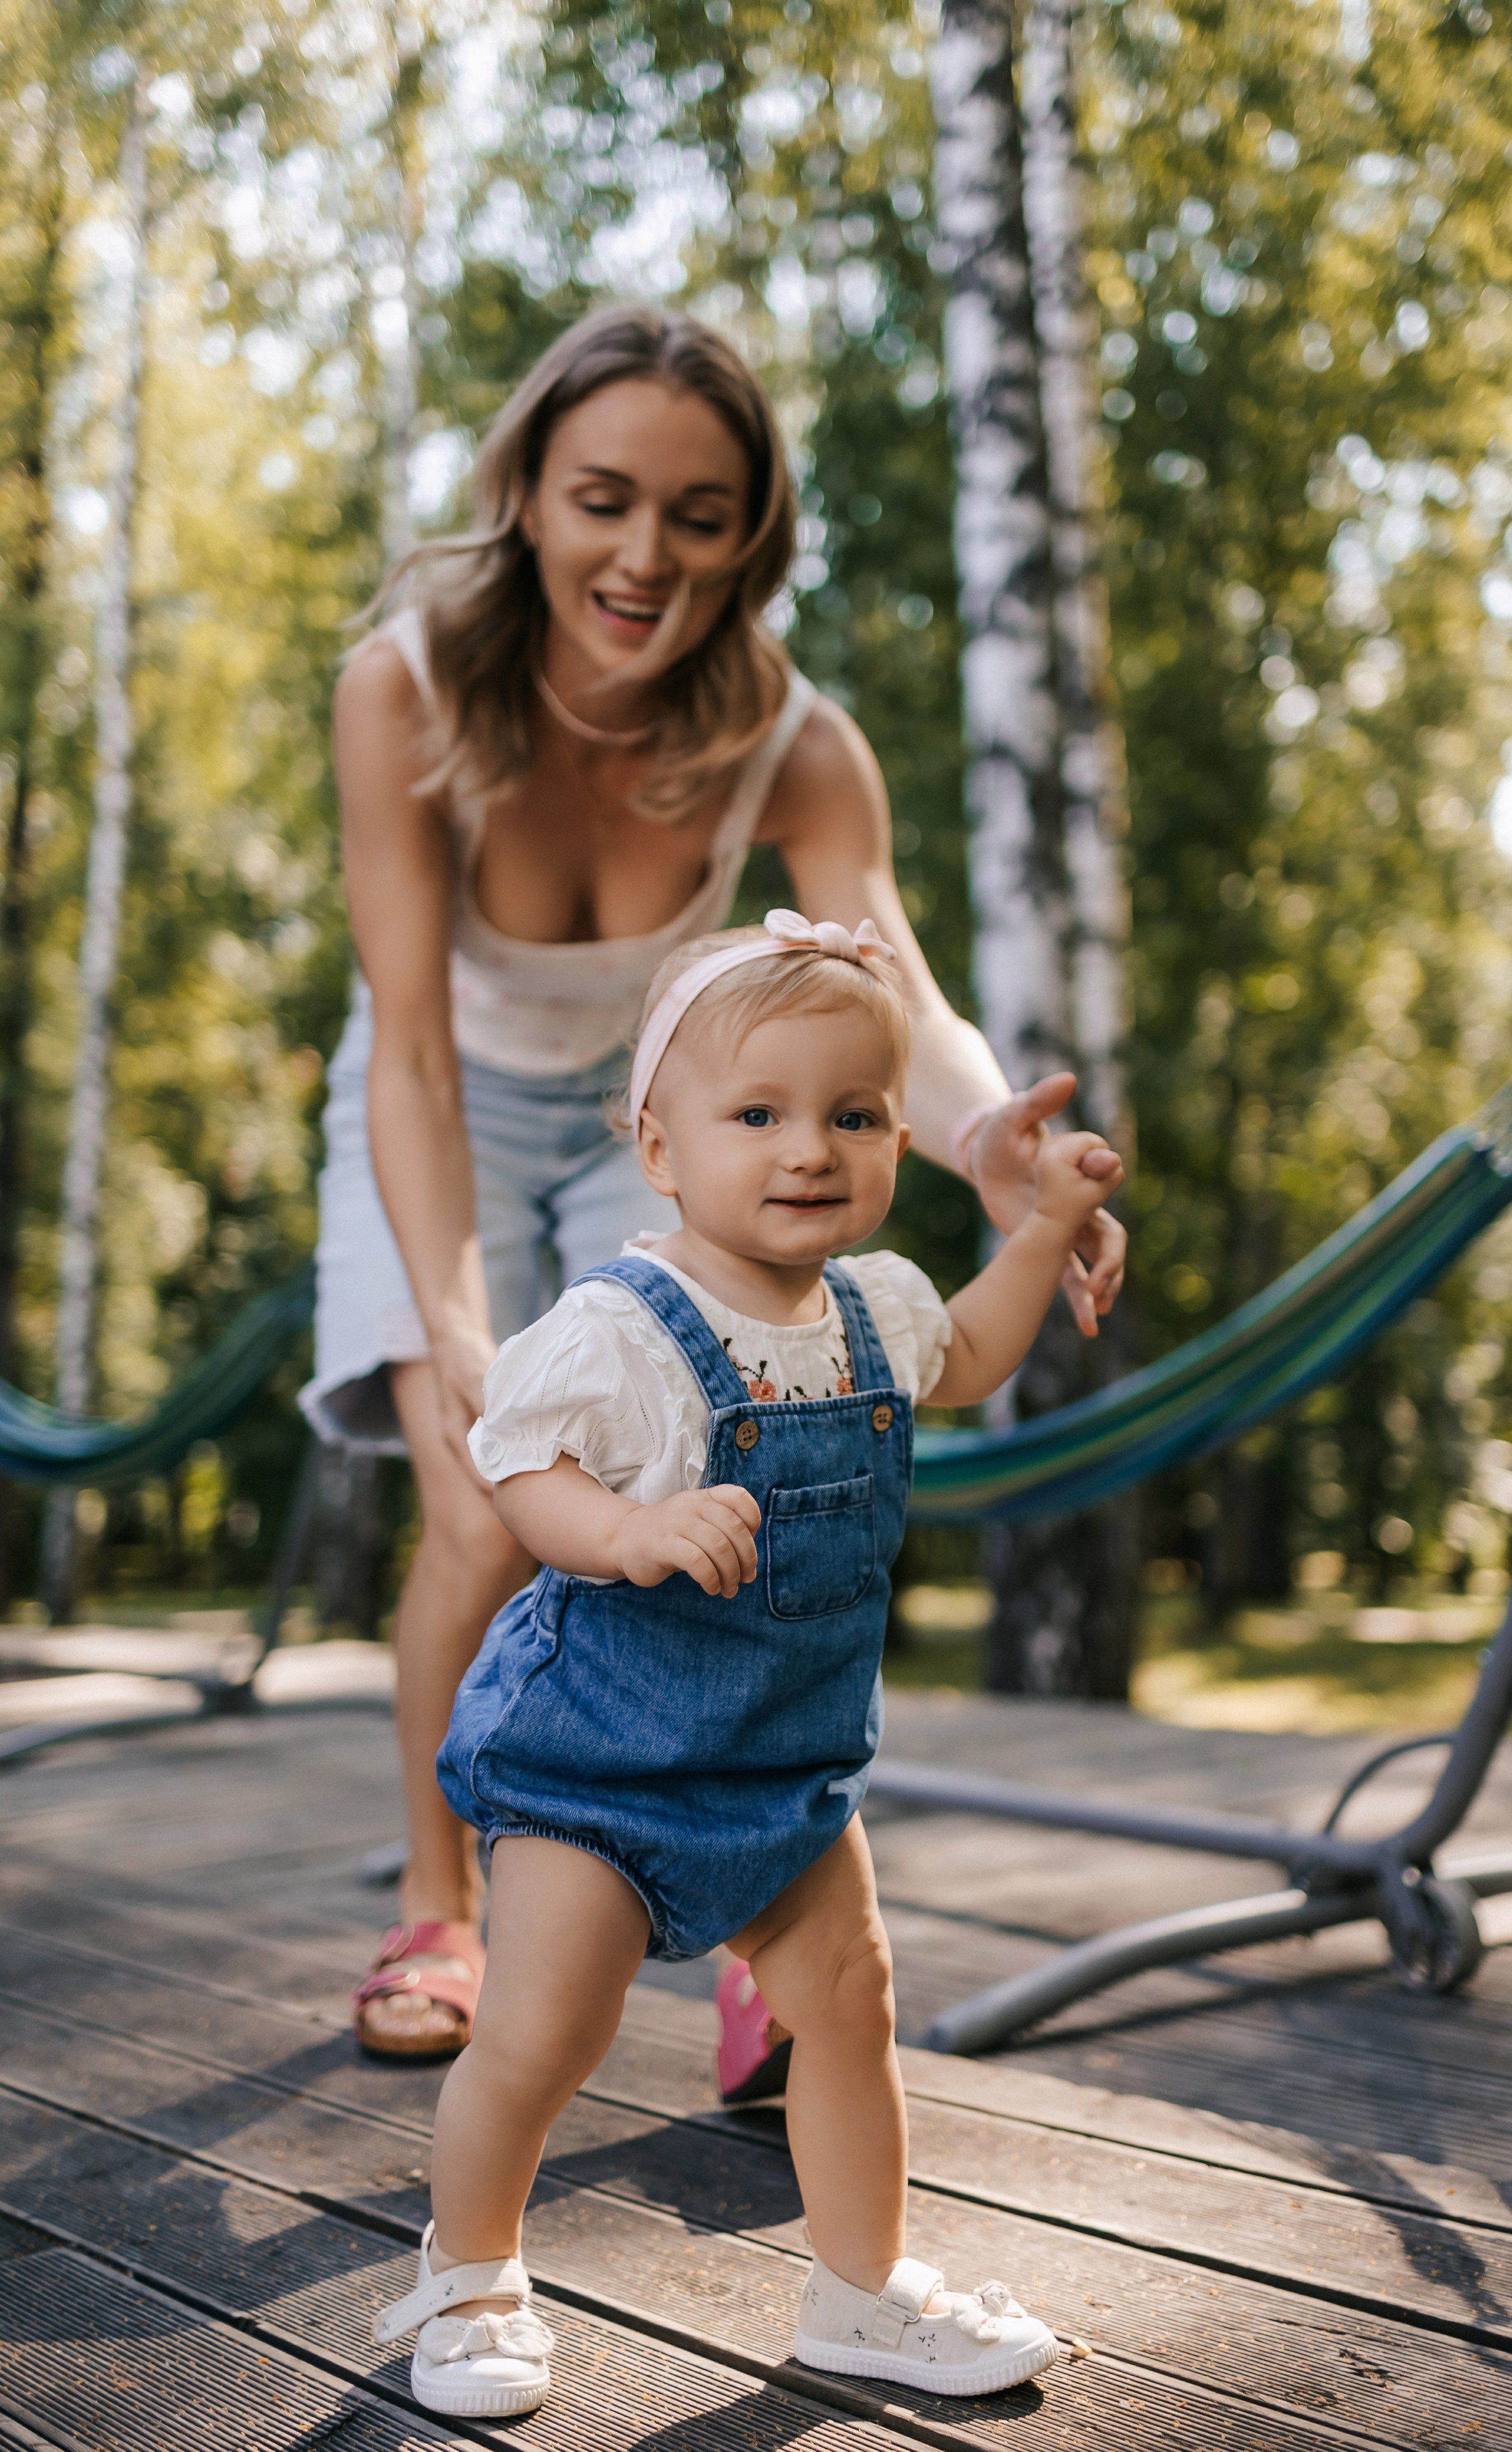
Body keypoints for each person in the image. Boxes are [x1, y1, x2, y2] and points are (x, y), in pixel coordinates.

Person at [300, 301, 1126, 2059]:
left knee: (738, 1457)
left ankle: (768, 1915)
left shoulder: (790, 738)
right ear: (526, 488)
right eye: (604, 498)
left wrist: (988, 1142)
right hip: (438, 1107)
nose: (644, 556)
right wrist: (455, 1330)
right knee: (475, 1499)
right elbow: (416, 1049)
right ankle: (442, 1909)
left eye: (699, 515)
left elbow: (897, 982)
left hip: (683, 1124)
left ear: (752, 537)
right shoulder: (410, 688)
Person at [368, 913, 1124, 2417]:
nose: (810, 1149)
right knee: (541, 2035)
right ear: (660, 1146)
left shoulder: (874, 1312)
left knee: (850, 2000)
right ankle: (470, 2279)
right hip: (600, 1765)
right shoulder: (622, 1327)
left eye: (853, 1116)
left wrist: (1035, 1231)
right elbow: (517, 1464)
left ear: (897, 1135)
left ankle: (861, 2292)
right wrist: (628, 1530)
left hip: (781, 1770)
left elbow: (965, 1357)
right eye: (758, 1113)